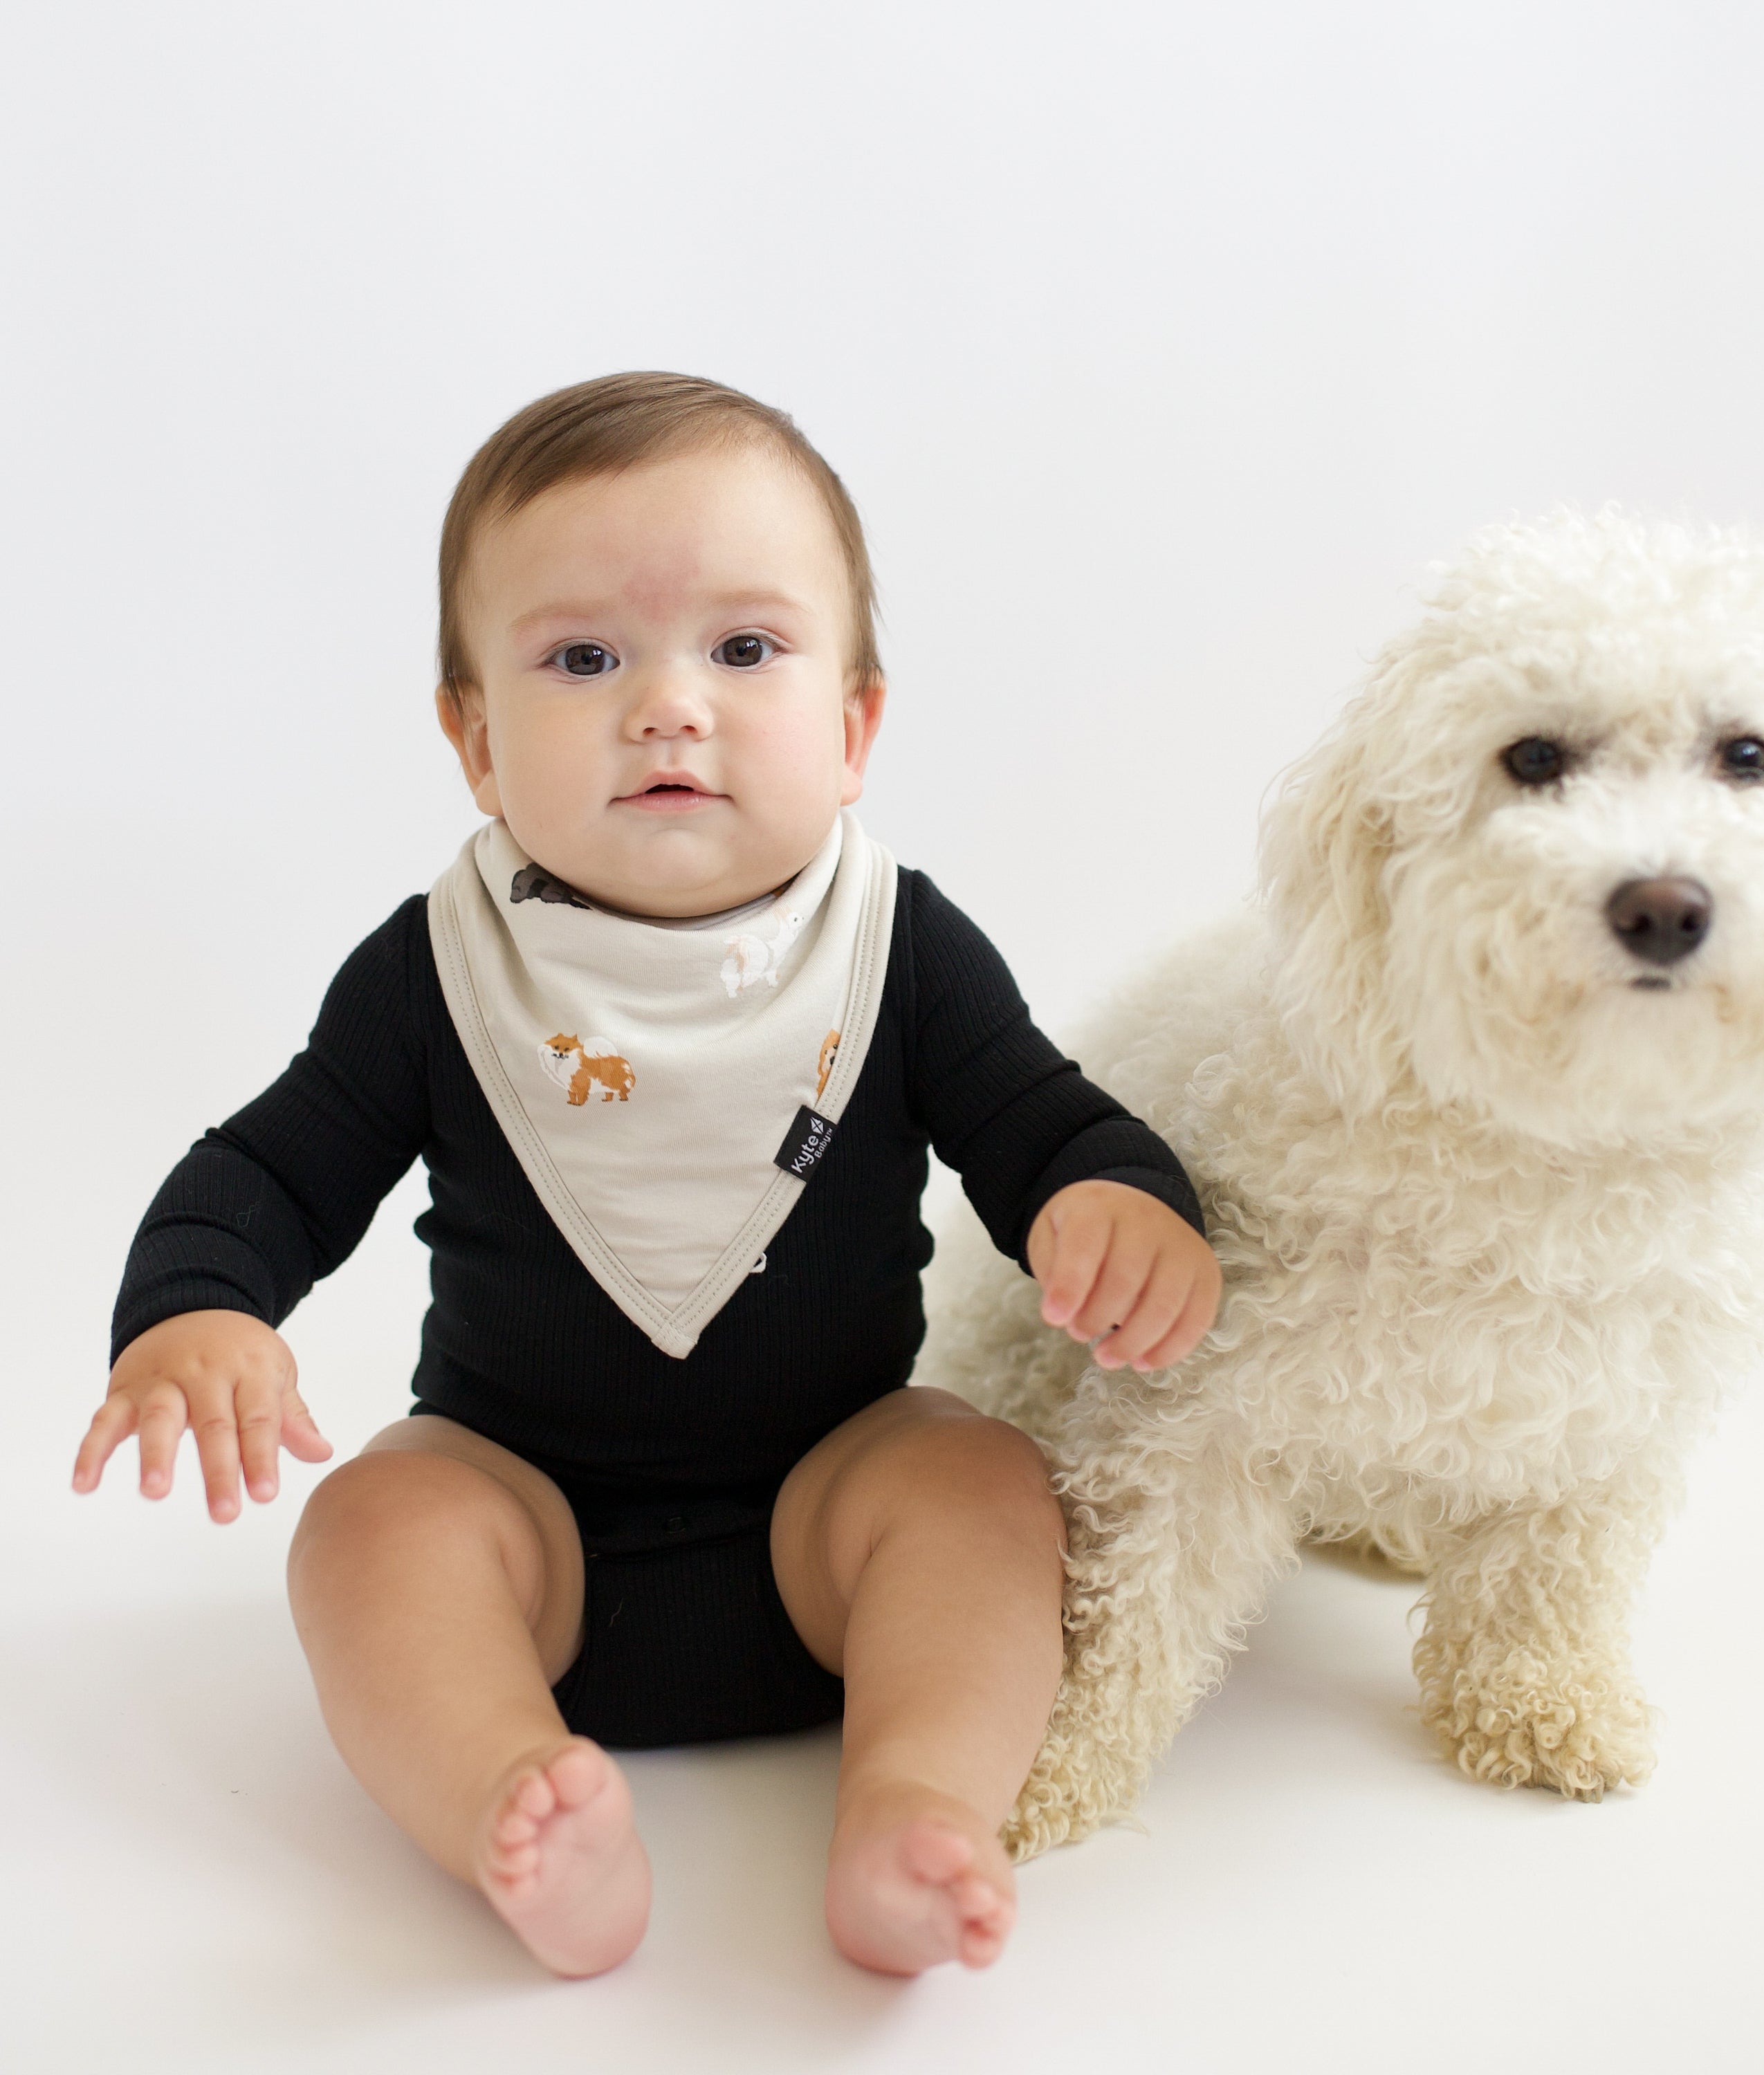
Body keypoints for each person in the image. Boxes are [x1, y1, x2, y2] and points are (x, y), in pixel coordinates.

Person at [73, 374, 1221, 1980]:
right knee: (369, 1527)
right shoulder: (444, 971)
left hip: (835, 1511)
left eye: (745, 650)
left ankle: (915, 1806)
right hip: (522, 1526)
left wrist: (1113, 1202)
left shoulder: (896, 947)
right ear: (474, 740)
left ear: (855, 724)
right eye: (583, 658)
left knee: (979, 1482)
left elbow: (1043, 1120)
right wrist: (195, 1308)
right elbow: (268, 1165)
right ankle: (512, 1800)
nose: (667, 705)